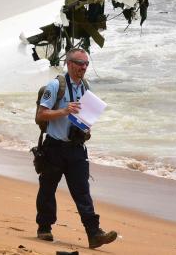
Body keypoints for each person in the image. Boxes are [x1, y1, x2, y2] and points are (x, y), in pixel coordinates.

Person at [35, 47, 118, 249]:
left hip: (76, 148)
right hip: (54, 146)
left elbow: (83, 116)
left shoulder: (85, 87)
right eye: (80, 63)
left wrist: (87, 126)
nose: (84, 67)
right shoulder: (56, 86)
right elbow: (40, 115)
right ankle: (44, 228)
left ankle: (94, 233)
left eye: (86, 64)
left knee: (82, 192)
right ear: (69, 64)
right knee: (47, 189)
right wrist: (64, 111)